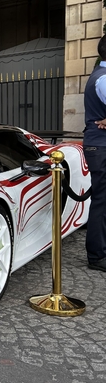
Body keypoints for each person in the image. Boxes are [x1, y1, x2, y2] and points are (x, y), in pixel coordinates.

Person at [82, 33, 106, 272]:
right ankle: (97, 255)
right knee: (102, 200)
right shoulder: (103, 79)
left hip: (99, 143)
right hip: (101, 145)